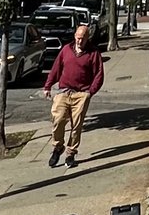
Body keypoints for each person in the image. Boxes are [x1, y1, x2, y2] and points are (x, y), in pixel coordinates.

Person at [43, 21, 104, 168]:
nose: (79, 40)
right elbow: (56, 69)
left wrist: (90, 92)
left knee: (76, 125)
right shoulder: (66, 50)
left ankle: (71, 153)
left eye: (83, 38)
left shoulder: (93, 53)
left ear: (87, 38)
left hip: (81, 94)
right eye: (77, 37)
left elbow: (99, 75)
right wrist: (48, 86)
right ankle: (58, 147)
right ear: (74, 36)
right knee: (57, 119)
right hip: (64, 91)